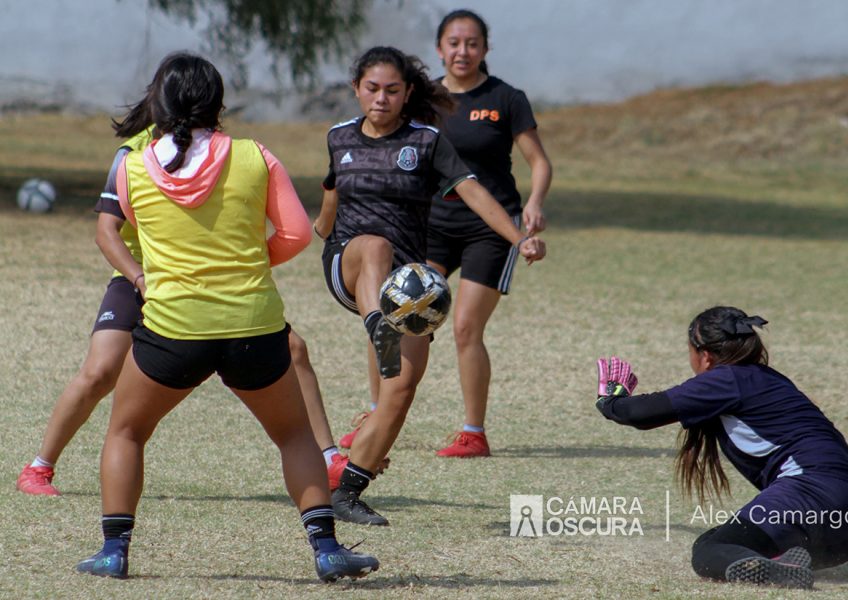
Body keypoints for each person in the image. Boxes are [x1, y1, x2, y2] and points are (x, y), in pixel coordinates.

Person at [74, 52, 378, 582]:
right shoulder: (255, 156)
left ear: (158, 102)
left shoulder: (130, 163)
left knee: (126, 431)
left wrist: (152, 277)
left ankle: (113, 552)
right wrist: (248, 263)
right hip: (254, 325)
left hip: (172, 328)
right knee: (295, 436)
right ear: (220, 104)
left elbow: (115, 230)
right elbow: (298, 235)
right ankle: (327, 549)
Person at [17, 123, 342, 499]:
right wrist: (139, 278)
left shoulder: (220, 148)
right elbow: (106, 232)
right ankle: (40, 466)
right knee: (101, 371)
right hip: (142, 275)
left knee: (294, 349)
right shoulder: (133, 155)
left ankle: (329, 457)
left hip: (202, 284)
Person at [313, 46, 546, 526]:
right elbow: (328, 206)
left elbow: (474, 191)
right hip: (349, 265)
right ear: (357, 89)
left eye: (392, 90)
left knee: (402, 387)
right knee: (375, 245)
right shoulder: (338, 138)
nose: (381, 98)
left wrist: (518, 238)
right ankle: (380, 324)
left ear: (408, 93)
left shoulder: (426, 141)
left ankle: (350, 491)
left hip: (407, 283)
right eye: (372, 89)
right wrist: (310, 229)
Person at [594, 306, 848, 590]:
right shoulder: (767, 379)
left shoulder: (728, 380)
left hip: (811, 495)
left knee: (710, 551)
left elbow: (639, 413)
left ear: (705, 355)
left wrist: (610, 399)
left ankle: (778, 572)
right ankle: (782, 560)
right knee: (715, 541)